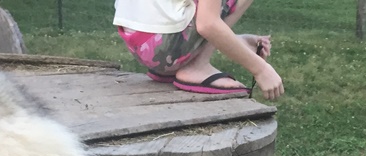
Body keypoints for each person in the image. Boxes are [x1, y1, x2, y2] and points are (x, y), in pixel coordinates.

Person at [113, 0, 284, 100]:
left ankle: (192, 59)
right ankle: (198, 65)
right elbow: (208, 24)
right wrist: (261, 70)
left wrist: (235, 41)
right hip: (167, 48)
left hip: (140, 44)